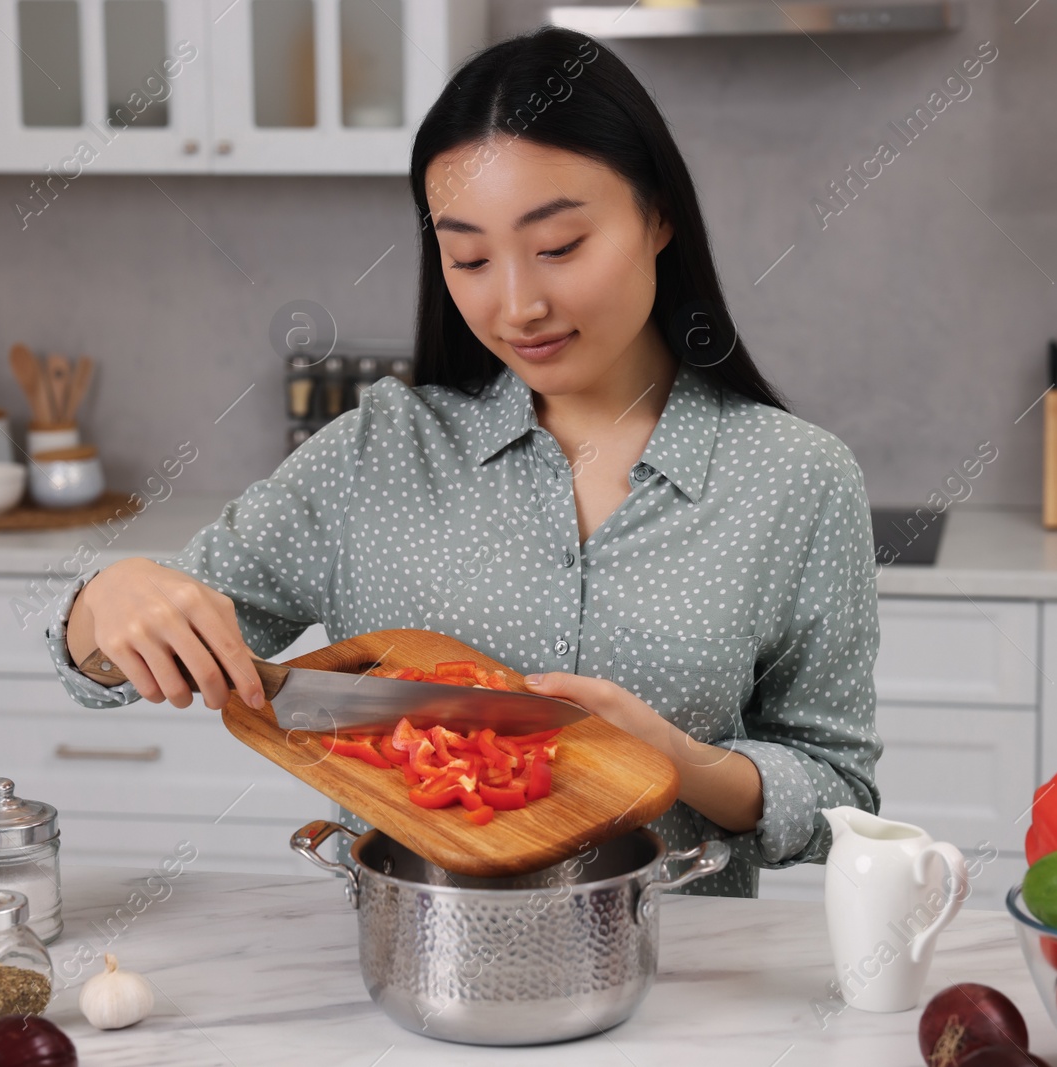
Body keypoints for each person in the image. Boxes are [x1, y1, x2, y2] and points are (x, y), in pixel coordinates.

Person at [49, 25, 881, 896]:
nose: (519, 304)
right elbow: (104, 666)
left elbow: (841, 804)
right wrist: (110, 600)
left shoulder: (798, 478)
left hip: (683, 989)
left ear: (659, 214)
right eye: (470, 257)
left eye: (559, 247)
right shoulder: (374, 455)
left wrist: (680, 761)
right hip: (412, 978)